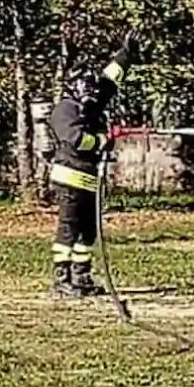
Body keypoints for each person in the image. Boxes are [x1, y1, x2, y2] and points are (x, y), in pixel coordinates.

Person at [48, 34, 139, 299]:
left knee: (88, 233)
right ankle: (62, 280)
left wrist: (125, 55)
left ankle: (82, 276)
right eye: (85, 87)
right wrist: (103, 139)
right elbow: (76, 139)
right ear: (73, 87)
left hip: (89, 181)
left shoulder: (91, 105)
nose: (91, 92)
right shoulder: (64, 110)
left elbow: (109, 81)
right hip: (69, 178)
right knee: (68, 229)